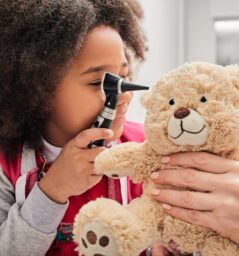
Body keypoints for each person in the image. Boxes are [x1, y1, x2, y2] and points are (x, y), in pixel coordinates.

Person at [0, 0, 148, 255]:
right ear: (38, 89)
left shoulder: (146, 149)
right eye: (97, 82)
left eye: (122, 78)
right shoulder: (8, 164)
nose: (122, 94)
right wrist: (53, 189)